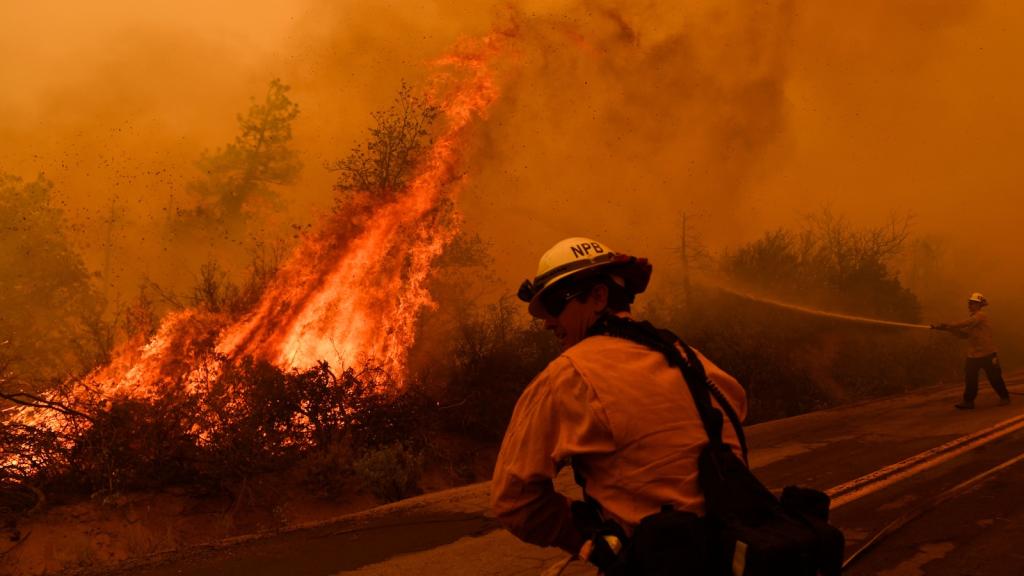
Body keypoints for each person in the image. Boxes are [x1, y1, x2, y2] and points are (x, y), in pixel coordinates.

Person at [490, 237, 747, 571]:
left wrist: (591, 537)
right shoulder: (691, 359)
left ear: (598, 296)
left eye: (555, 304)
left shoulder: (567, 377)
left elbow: (514, 501)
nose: (547, 322)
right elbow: (736, 404)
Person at [932, 292, 1010, 409]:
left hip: (988, 353)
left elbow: (965, 323)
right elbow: (965, 334)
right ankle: (968, 401)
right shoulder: (973, 319)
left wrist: (947, 325)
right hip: (973, 355)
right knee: (970, 378)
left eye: (973, 303)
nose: (970, 305)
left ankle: (1004, 397)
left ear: (980, 305)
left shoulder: (981, 316)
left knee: (994, 378)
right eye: (970, 303)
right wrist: (948, 330)